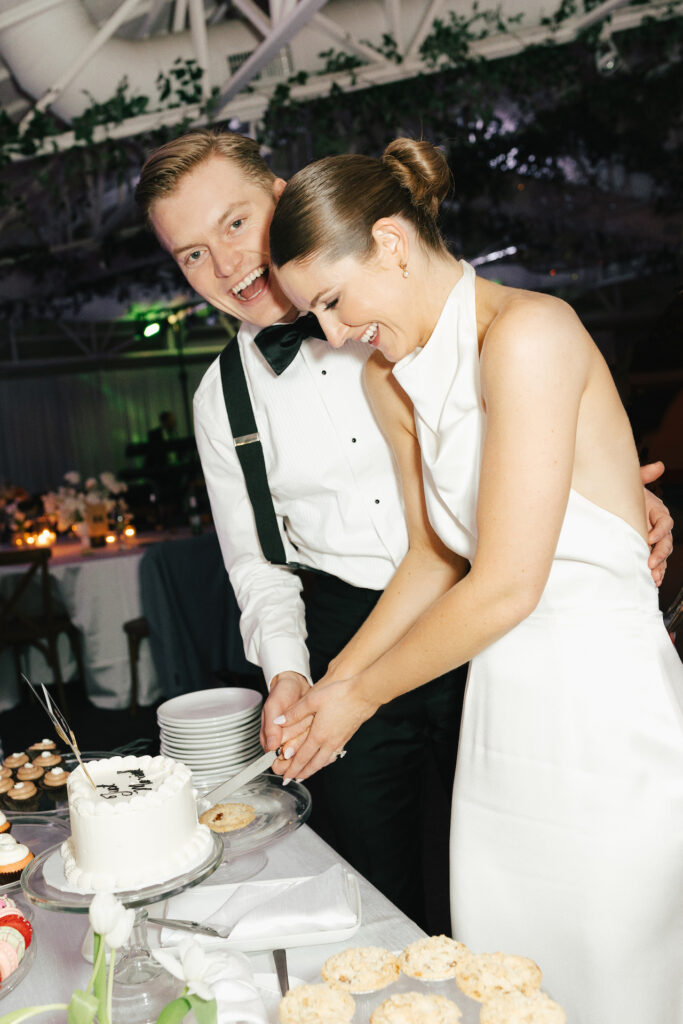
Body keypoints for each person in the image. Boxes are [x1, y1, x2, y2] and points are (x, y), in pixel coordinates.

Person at [134, 130, 673, 934]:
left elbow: (515, 500)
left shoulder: (414, 318)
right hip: (359, 617)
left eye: (235, 224)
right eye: (191, 255)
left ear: (284, 196)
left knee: (552, 903)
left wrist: (600, 500)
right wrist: (304, 680)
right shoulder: (232, 397)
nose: (224, 265)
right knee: (382, 887)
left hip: (501, 633)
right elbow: (264, 564)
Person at [266, 140, 683, 1024]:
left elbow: (505, 586)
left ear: (390, 241)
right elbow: (433, 558)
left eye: (333, 303)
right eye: (316, 317)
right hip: (502, 723)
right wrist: (330, 686)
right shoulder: (390, 380)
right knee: (511, 983)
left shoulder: (532, 333)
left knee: (618, 982)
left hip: (604, 723)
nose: (334, 335)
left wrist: (360, 701)